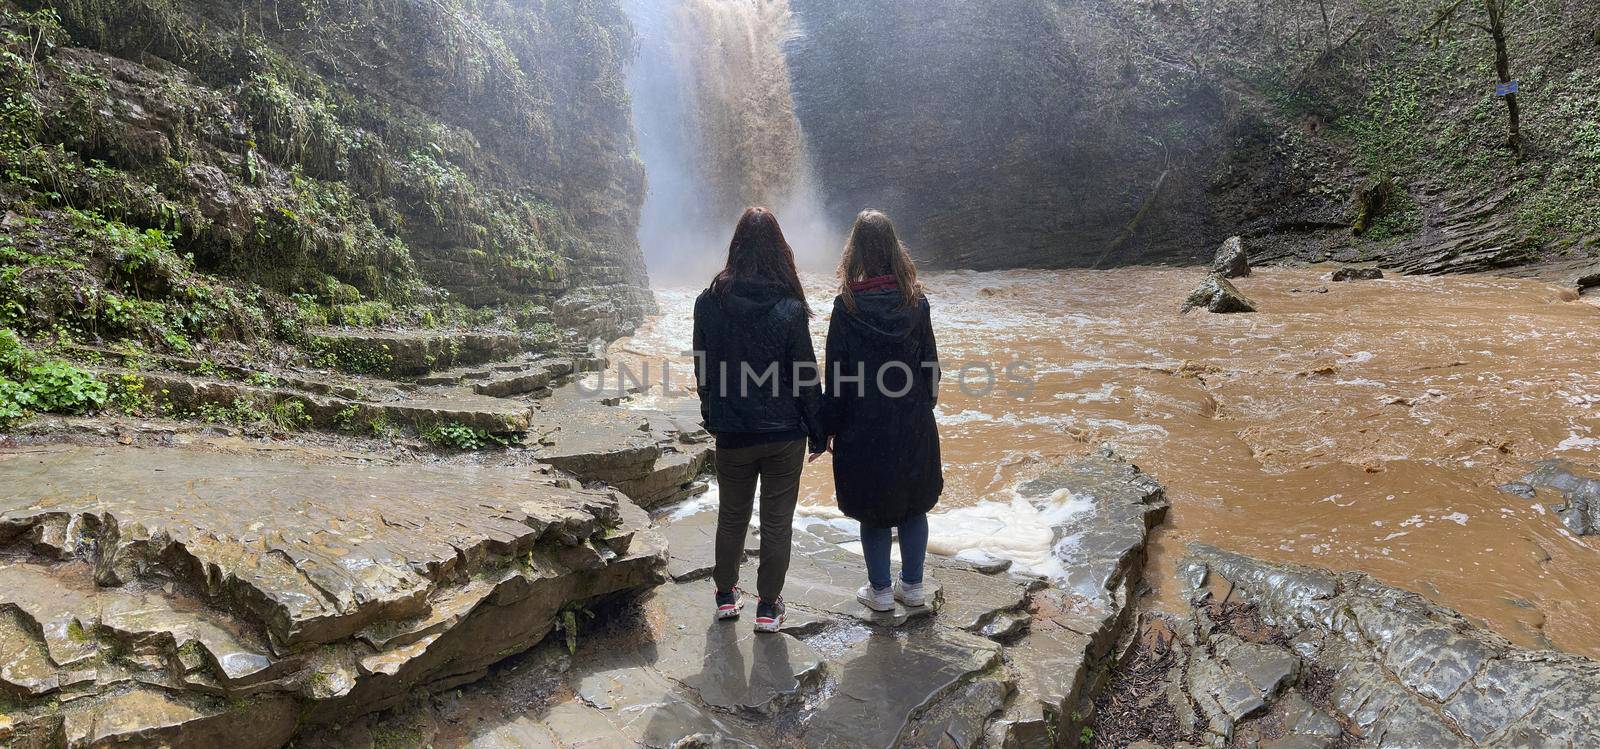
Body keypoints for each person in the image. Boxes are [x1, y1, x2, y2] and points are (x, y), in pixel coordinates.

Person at [692, 207, 826, 633]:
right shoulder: (789, 308)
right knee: (776, 521)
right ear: (778, 251)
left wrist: (711, 413)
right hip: (784, 432)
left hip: (733, 429)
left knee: (731, 516)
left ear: (736, 248)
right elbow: (806, 377)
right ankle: (768, 607)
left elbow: (703, 369)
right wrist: (820, 432)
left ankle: (726, 596)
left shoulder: (707, 303)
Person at [819, 210, 943, 612]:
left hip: (862, 424)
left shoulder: (847, 307)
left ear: (854, 252)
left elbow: (836, 378)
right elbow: (931, 367)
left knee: (872, 510)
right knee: (913, 504)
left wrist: (828, 428)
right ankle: (914, 586)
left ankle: (881, 592)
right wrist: (923, 408)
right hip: (911, 421)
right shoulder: (916, 302)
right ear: (894, 250)